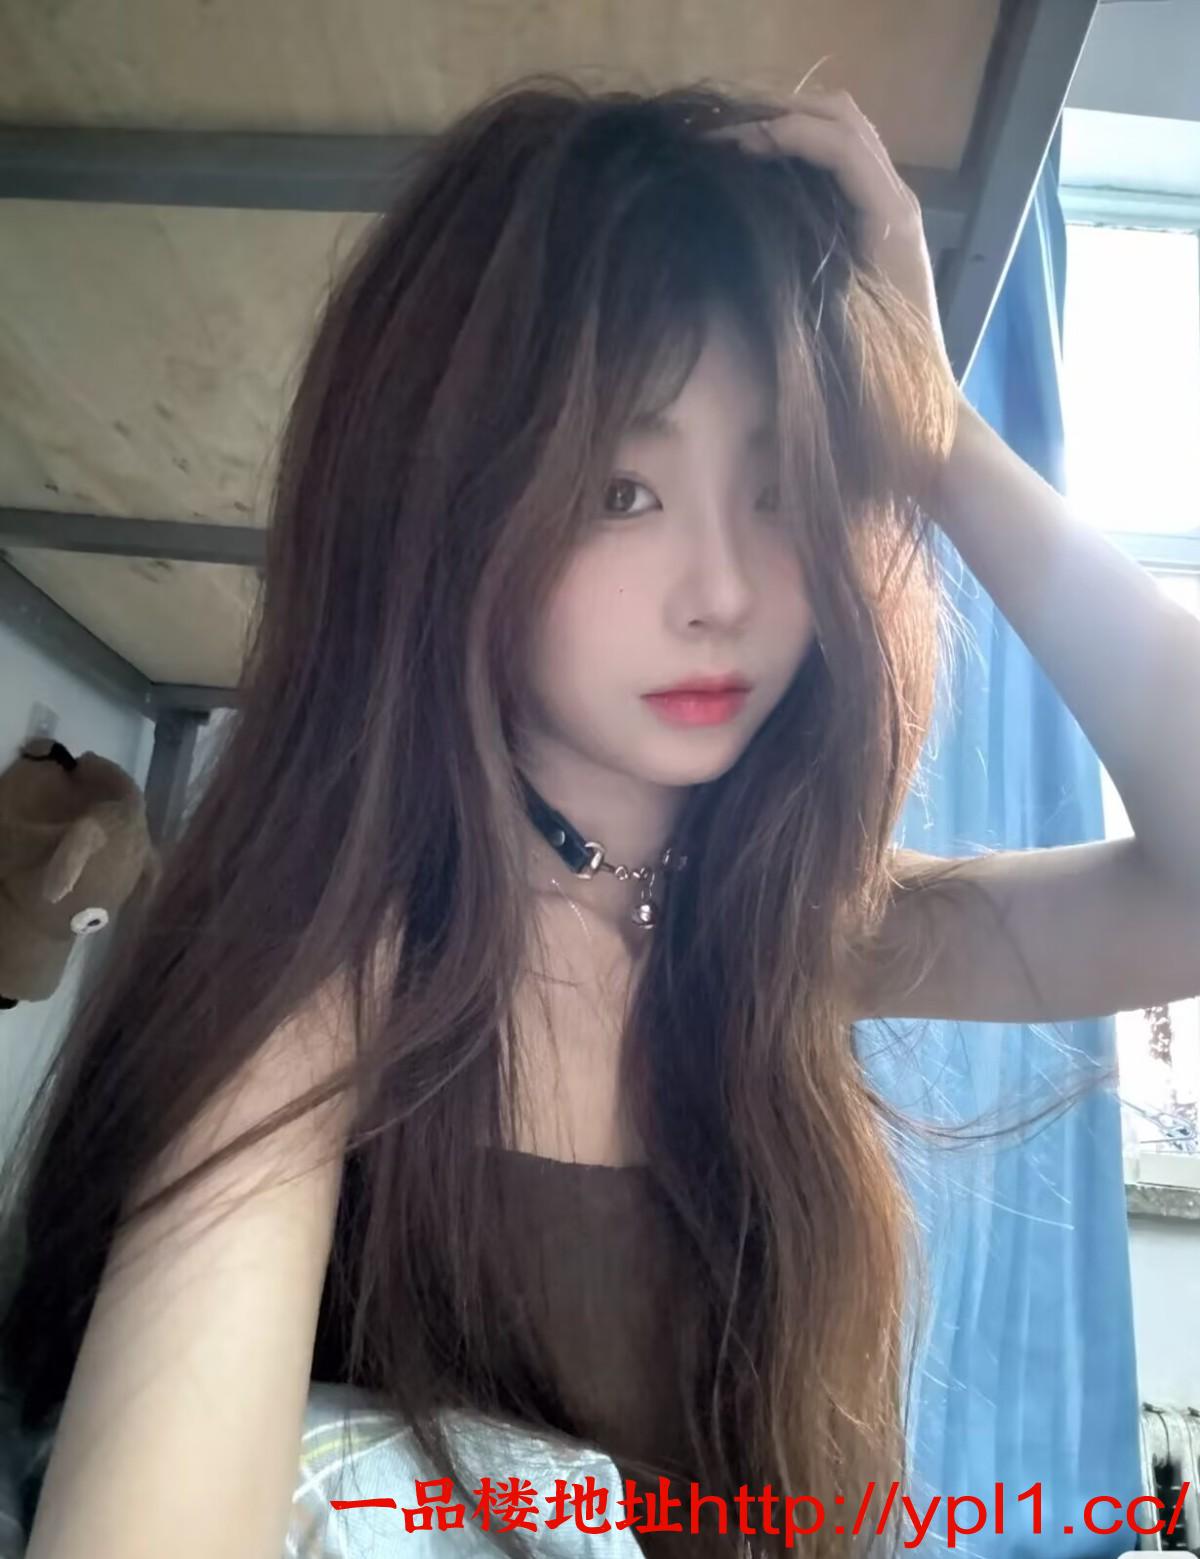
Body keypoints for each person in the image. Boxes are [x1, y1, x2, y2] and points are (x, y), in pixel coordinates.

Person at [2, 74, 1198, 1559]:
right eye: (622, 492)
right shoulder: (320, 981)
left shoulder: (790, 929)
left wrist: (937, 433)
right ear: (442, 504)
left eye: (779, 487)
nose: (725, 588)